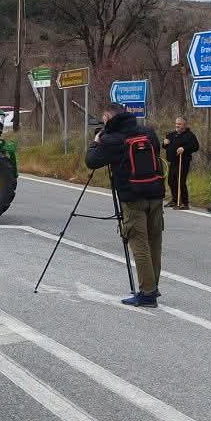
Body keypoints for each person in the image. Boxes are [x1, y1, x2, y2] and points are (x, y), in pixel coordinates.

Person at [86, 104, 167, 307]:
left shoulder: (112, 140)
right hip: (156, 193)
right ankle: (152, 286)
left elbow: (92, 161)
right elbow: (156, 151)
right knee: (154, 241)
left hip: (132, 197)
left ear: (107, 117)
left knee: (138, 242)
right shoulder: (148, 133)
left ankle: (147, 293)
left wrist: (95, 143)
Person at [162, 117, 200, 210]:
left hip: (183, 161)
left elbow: (195, 146)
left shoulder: (189, 135)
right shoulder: (171, 134)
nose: (177, 125)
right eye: (176, 123)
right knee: (171, 181)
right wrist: (164, 143)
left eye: (179, 124)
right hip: (173, 161)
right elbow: (165, 146)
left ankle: (184, 202)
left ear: (184, 125)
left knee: (181, 181)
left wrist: (184, 148)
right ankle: (175, 200)